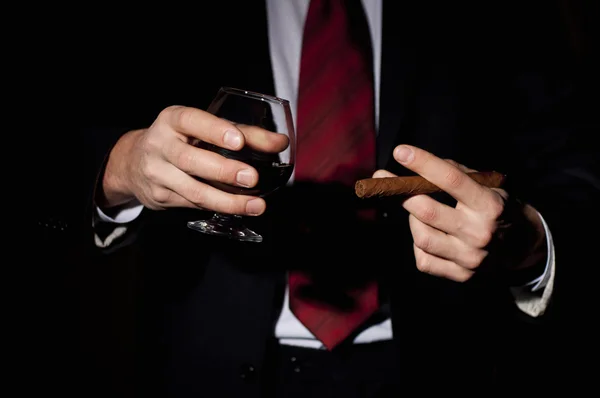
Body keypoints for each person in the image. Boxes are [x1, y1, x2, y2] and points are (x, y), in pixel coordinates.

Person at [67, 0, 596, 396]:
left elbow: (576, 166)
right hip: (206, 372)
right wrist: (121, 165)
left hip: (438, 370)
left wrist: (527, 242)